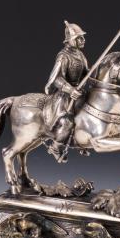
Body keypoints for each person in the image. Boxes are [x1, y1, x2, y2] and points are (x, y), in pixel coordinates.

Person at [44, 21, 89, 162]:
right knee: (67, 122)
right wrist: (70, 90)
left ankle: (82, 141)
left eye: (82, 37)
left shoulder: (80, 55)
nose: (83, 40)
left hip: (79, 93)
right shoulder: (63, 56)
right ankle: (55, 147)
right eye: (79, 38)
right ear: (70, 39)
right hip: (65, 94)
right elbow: (57, 79)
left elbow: (86, 74)